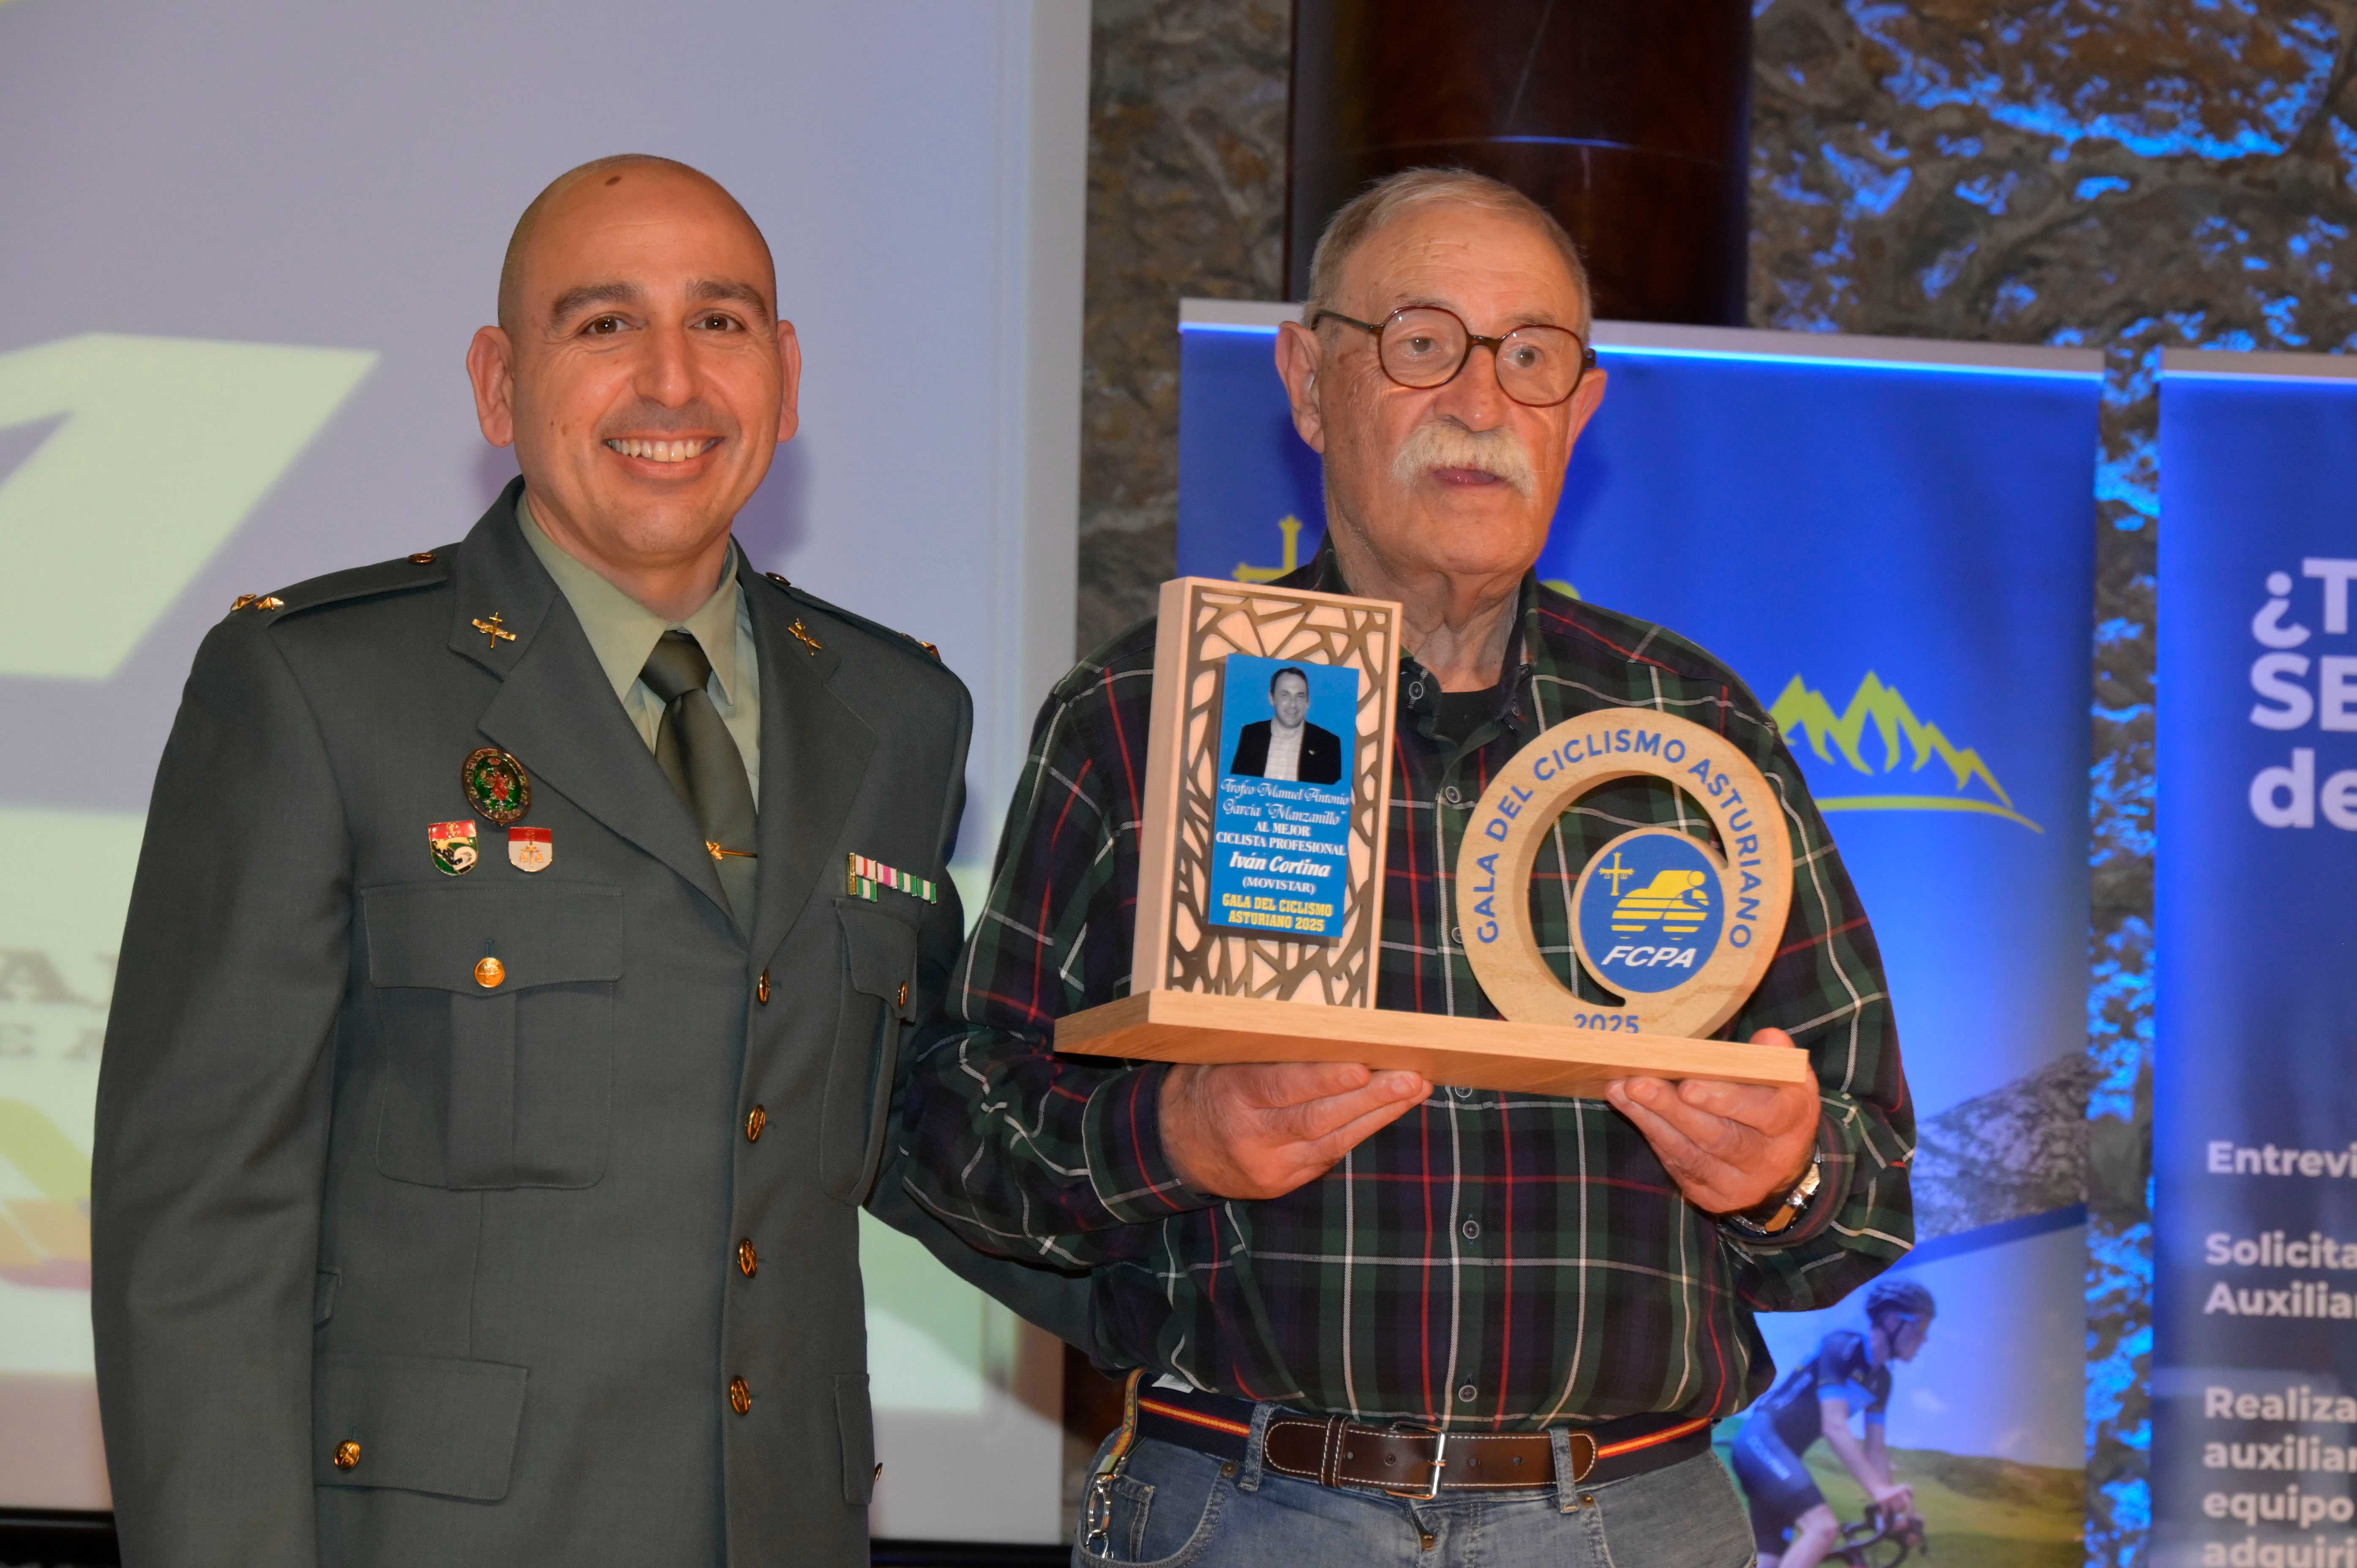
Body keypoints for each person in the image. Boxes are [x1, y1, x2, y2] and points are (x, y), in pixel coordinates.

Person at [901, 167, 1914, 1568]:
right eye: (1422, 343)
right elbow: (958, 1129)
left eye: (1533, 358)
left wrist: (1784, 1173)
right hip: (1245, 1512)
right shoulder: (1140, 716)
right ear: (1311, 382)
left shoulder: (1695, 735)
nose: (1483, 404)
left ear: (1584, 409)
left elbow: (1862, 1195)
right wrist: (1174, 1140)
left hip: (1626, 1523)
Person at [89, 154, 1076, 1568]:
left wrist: (1181, 1173)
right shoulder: (318, 689)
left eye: (721, 323)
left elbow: (905, 1116)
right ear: (499, 385)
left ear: (787, 379)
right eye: (604, 324)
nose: (673, 382)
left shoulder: (898, 715)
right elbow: (199, 1235)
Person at [1731, 1279, 1937, 1568]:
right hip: (1761, 1443)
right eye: (1923, 1326)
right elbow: (1834, 1426)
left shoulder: (1881, 1381)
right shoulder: (1842, 1348)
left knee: (1771, 1563)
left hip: (1778, 1461)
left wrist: (1891, 1513)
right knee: (1823, 1529)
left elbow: (1876, 1450)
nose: (1925, 1339)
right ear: (1893, 1321)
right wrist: (1879, 1492)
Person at [1228, 665, 1343, 783]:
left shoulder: (1329, 743)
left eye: (1300, 696)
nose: (1293, 704)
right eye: (1285, 695)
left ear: (1308, 702)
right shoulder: (1251, 734)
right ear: (1272, 698)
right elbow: (1237, 786)